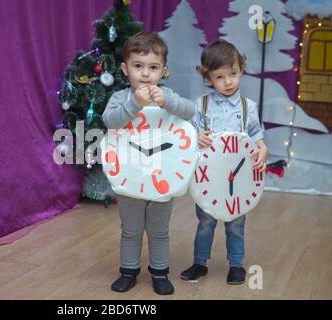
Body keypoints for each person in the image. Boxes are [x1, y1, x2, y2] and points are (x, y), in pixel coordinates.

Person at [102, 32, 194, 295]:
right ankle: (128, 271)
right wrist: (135, 104)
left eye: (153, 68)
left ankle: (160, 272)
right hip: (130, 175)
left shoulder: (166, 96)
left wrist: (169, 101)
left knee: (159, 229)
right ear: (125, 69)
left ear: (162, 71)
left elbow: (190, 112)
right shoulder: (121, 98)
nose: (145, 74)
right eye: (138, 66)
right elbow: (110, 122)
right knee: (130, 229)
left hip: (162, 174)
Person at [180, 39, 268, 285]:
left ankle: (236, 264)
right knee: (205, 222)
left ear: (241, 69)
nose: (228, 82)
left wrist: (263, 149)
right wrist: (196, 137)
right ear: (208, 78)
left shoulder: (247, 107)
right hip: (209, 177)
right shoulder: (201, 105)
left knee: (236, 224)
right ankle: (200, 262)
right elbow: (189, 135)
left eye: (233, 74)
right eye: (220, 77)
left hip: (239, 179)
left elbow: (256, 135)